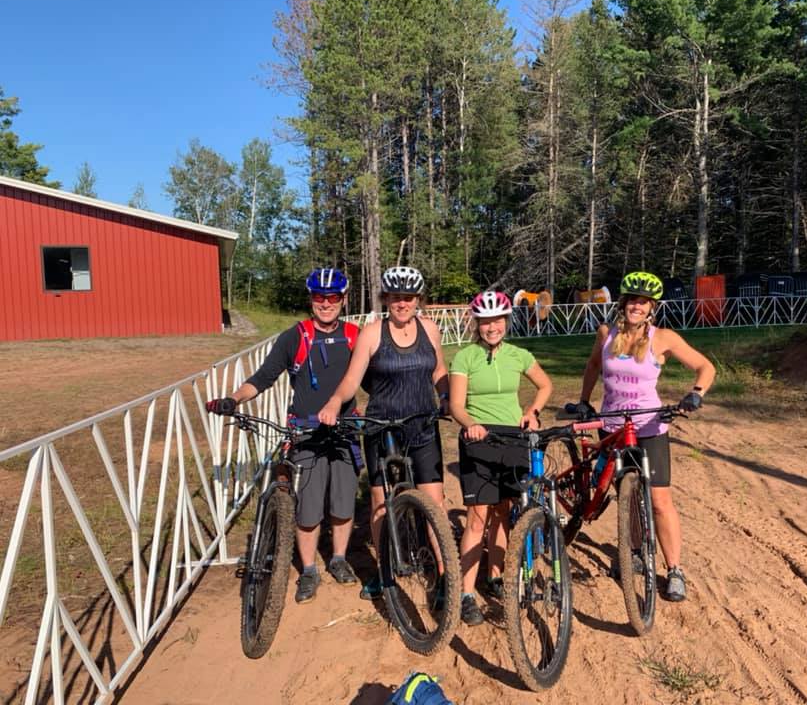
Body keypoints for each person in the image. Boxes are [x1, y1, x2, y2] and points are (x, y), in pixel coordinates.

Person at [205, 267, 361, 605]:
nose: (325, 303)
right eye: (319, 297)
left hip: (346, 430)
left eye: (332, 297)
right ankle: (308, 570)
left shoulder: (354, 335)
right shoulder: (296, 337)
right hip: (305, 431)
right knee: (308, 507)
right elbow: (263, 377)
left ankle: (338, 558)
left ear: (343, 300)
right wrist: (233, 398)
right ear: (311, 299)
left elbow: (376, 377)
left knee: (343, 502)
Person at [576, 271, 715, 602]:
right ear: (622, 304)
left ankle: (674, 569)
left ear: (651, 307)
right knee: (625, 491)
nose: (636, 307)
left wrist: (696, 394)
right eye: (631, 301)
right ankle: (635, 552)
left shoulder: (662, 337)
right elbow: (593, 366)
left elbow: (705, 367)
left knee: (659, 501)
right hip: (612, 427)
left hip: (649, 426)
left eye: (643, 302)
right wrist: (583, 401)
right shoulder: (606, 333)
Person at [318, 266, 450, 600]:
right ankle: (385, 572)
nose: (402, 304)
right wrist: (334, 402)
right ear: (386, 299)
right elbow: (352, 379)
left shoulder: (430, 329)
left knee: (434, 502)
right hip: (381, 426)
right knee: (379, 501)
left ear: (418, 299)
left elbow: (439, 369)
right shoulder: (372, 333)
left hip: (422, 424)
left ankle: (443, 573)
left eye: (408, 298)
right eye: (395, 298)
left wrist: (447, 396)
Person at [449, 291, 553, 626]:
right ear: (476, 324)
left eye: (497, 321)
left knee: (505, 511)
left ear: (506, 322)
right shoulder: (465, 357)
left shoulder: (519, 355)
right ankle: (465, 593)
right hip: (478, 438)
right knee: (477, 518)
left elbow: (545, 385)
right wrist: (471, 424)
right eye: (485, 322)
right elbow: (455, 405)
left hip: (512, 437)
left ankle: (495, 576)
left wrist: (532, 412)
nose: (491, 327)